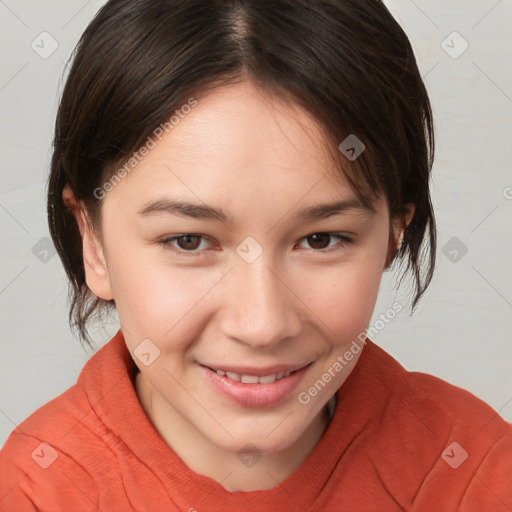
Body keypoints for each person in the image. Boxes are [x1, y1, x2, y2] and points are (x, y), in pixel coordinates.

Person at [1, 0, 510, 510]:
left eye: (321, 239)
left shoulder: (473, 473)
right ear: (93, 242)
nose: (262, 325)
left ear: (394, 232)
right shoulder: (30, 492)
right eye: (189, 241)